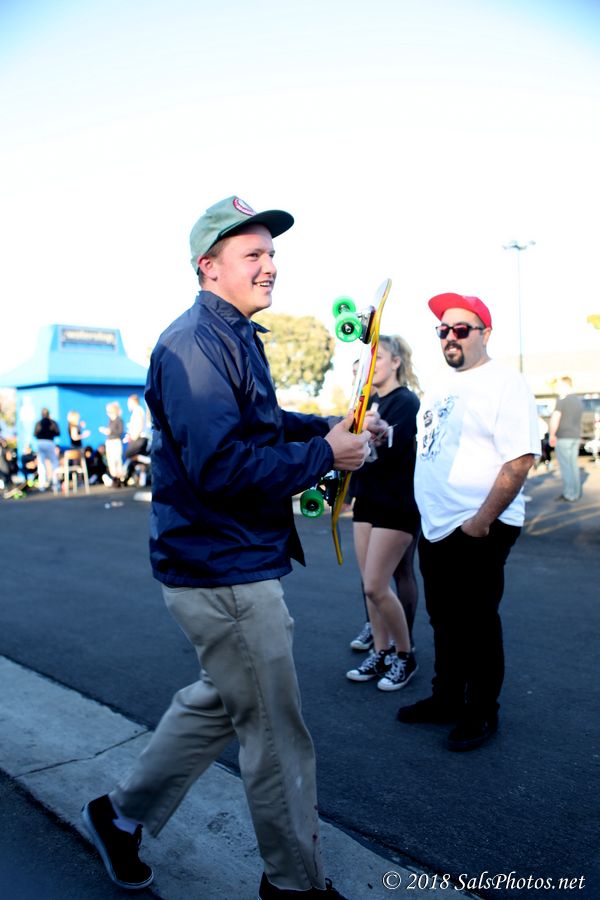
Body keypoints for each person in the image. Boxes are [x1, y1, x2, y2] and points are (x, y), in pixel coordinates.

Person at [81, 196, 378, 899]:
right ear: (208, 267)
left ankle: (118, 817)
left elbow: (261, 423)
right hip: (221, 567)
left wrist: (327, 427)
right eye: (253, 254)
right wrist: (326, 456)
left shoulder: (230, 335)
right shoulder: (195, 344)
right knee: (275, 734)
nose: (270, 265)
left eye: (272, 253)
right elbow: (220, 468)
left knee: (224, 699)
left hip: (229, 559)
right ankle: (294, 884)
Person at [397, 293, 539, 752]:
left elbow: (520, 458)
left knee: (476, 623)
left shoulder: (504, 382)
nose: (450, 337)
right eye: (443, 330)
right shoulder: (442, 387)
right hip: (437, 524)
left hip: (478, 524)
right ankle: (446, 698)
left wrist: (481, 522)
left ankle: (481, 712)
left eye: (461, 329)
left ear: (485, 334)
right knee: (444, 619)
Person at [345, 335, 421, 690]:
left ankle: (405, 655)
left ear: (396, 362)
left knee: (378, 585)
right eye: (369, 359)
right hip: (367, 500)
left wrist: (368, 435)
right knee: (369, 587)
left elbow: (389, 451)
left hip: (396, 503)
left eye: (380, 358)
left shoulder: (406, 401)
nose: (372, 365)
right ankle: (380, 650)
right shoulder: (368, 403)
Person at [548, 376, 584, 502]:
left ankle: (569, 494)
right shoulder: (578, 401)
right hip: (575, 437)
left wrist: (552, 434)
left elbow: (555, 418)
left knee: (566, 467)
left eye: (559, 386)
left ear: (565, 385)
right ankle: (576, 493)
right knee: (573, 466)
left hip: (563, 437)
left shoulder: (562, 400)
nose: (558, 388)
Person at [122, 394, 149, 485]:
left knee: (128, 454)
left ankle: (148, 460)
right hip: (139, 438)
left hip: (139, 438)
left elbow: (139, 425)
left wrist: (133, 436)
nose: (128, 405)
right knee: (137, 460)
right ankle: (142, 481)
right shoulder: (137, 411)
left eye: (129, 403)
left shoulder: (138, 411)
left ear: (133, 402)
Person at [33, 407, 60, 491]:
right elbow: (57, 432)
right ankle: (55, 484)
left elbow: (35, 433)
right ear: (48, 414)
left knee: (41, 464)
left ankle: (42, 485)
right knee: (54, 462)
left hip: (40, 442)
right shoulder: (52, 422)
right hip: (49, 442)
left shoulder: (38, 423)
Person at [99, 402, 124, 487]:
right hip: (109, 442)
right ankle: (114, 478)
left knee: (117, 460)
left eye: (109, 411)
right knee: (111, 461)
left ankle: (119, 479)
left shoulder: (119, 420)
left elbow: (120, 432)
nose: (107, 413)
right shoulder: (110, 421)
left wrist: (110, 431)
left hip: (116, 441)